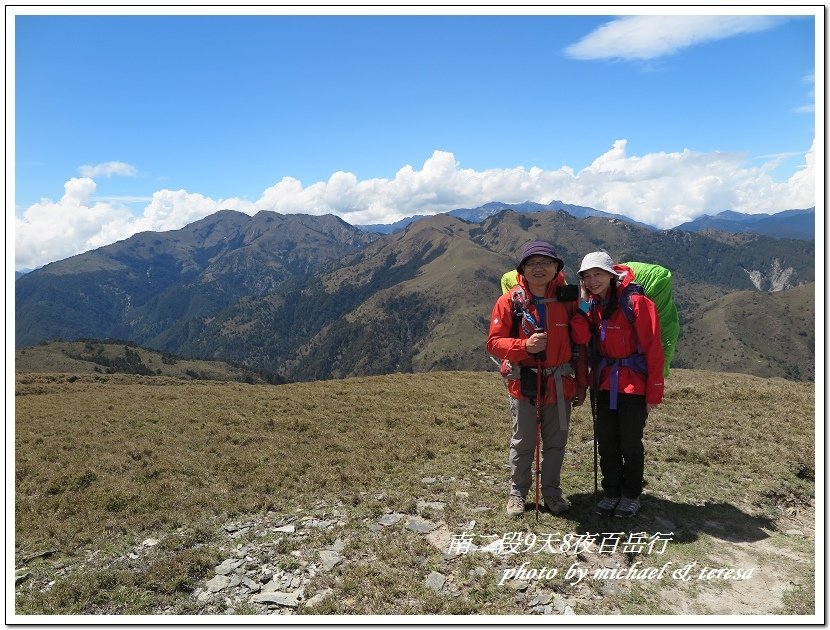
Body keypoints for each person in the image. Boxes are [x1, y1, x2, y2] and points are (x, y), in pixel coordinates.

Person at [487, 241, 588, 517]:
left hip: (560, 382)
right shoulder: (510, 301)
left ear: (557, 268)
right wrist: (525, 347)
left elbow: (579, 347)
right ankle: (518, 493)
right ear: (522, 269)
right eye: (532, 263)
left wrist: (581, 383)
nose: (539, 268)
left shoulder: (568, 300)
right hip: (525, 383)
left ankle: (552, 493)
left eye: (545, 262)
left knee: (556, 443)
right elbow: (493, 343)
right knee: (524, 442)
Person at [573, 251, 664, 518]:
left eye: (597, 274)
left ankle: (631, 494)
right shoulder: (592, 305)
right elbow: (579, 334)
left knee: (630, 442)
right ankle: (612, 491)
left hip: (633, 385)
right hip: (603, 383)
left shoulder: (636, 303)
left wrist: (653, 392)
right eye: (586, 277)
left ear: (611, 275)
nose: (592, 281)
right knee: (607, 441)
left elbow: (653, 348)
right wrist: (581, 303)